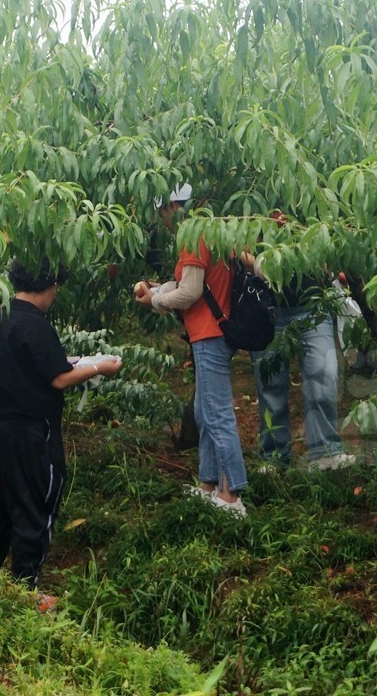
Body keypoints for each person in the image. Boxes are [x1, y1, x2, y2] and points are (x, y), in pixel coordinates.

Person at [0, 258, 123, 598]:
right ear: (50, 286)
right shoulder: (35, 324)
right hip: (32, 435)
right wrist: (99, 365)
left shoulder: (3, 316)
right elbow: (58, 378)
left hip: (0, 432)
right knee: (34, 508)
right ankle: (25, 591)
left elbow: (31, 363)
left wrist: (72, 361)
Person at [134, 186, 249, 517]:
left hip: (209, 333)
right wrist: (157, 290)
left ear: (173, 206)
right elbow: (188, 282)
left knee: (216, 413)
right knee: (204, 411)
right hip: (211, 331)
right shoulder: (208, 231)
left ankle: (232, 494)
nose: (162, 221)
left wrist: (156, 300)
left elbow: (191, 292)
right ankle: (209, 485)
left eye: (162, 213)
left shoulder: (193, 235)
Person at [250, 270, 355, 471]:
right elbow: (237, 247)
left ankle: (324, 453)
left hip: (313, 304)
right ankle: (274, 457)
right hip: (267, 307)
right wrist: (259, 264)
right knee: (270, 386)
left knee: (324, 374)